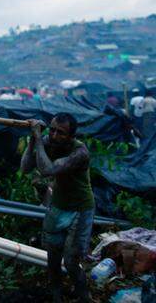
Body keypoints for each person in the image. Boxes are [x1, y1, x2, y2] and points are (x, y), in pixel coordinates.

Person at [20, 113, 94, 303]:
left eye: (60, 132)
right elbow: (26, 168)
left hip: (80, 208)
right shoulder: (47, 142)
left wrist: (37, 139)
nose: (53, 135)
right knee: (53, 258)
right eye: (52, 129)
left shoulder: (79, 153)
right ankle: (56, 297)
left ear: (70, 136)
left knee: (70, 262)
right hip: (57, 205)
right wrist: (31, 142)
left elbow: (47, 170)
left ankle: (84, 297)